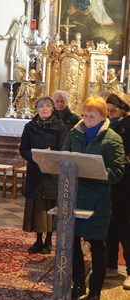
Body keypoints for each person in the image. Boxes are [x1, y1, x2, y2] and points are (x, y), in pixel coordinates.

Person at [62, 96, 125, 300]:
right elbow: (64, 157)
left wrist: (93, 171)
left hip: (98, 198)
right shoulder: (74, 133)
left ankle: (95, 290)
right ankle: (78, 284)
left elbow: (116, 172)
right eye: (85, 115)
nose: (87, 119)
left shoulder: (112, 138)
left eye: (92, 116)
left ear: (103, 116)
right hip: (74, 195)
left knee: (98, 245)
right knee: (72, 241)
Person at [19, 96, 67, 255]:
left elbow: (63, 148)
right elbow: (23, 149)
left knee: (50, 206)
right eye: (41, 106)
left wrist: (50, 155)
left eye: (47, 106)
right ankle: (38, 240)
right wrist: (34, 156)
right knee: (37, 208)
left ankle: (48, 241)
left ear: (52, 109)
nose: (44, 109)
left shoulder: (60, 127)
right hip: (35, 171)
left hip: (52, 172)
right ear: (37, 109)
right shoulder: (29, 127)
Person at [105, 93, 130, 289]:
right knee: (108, 225)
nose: (111, 112)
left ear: (124, 108)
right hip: (108, 181)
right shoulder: (106, 125)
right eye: (109, 108)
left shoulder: (127, 125)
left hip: (126, 183)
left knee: (125, 227)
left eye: (114, 108)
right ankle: (110, 265)